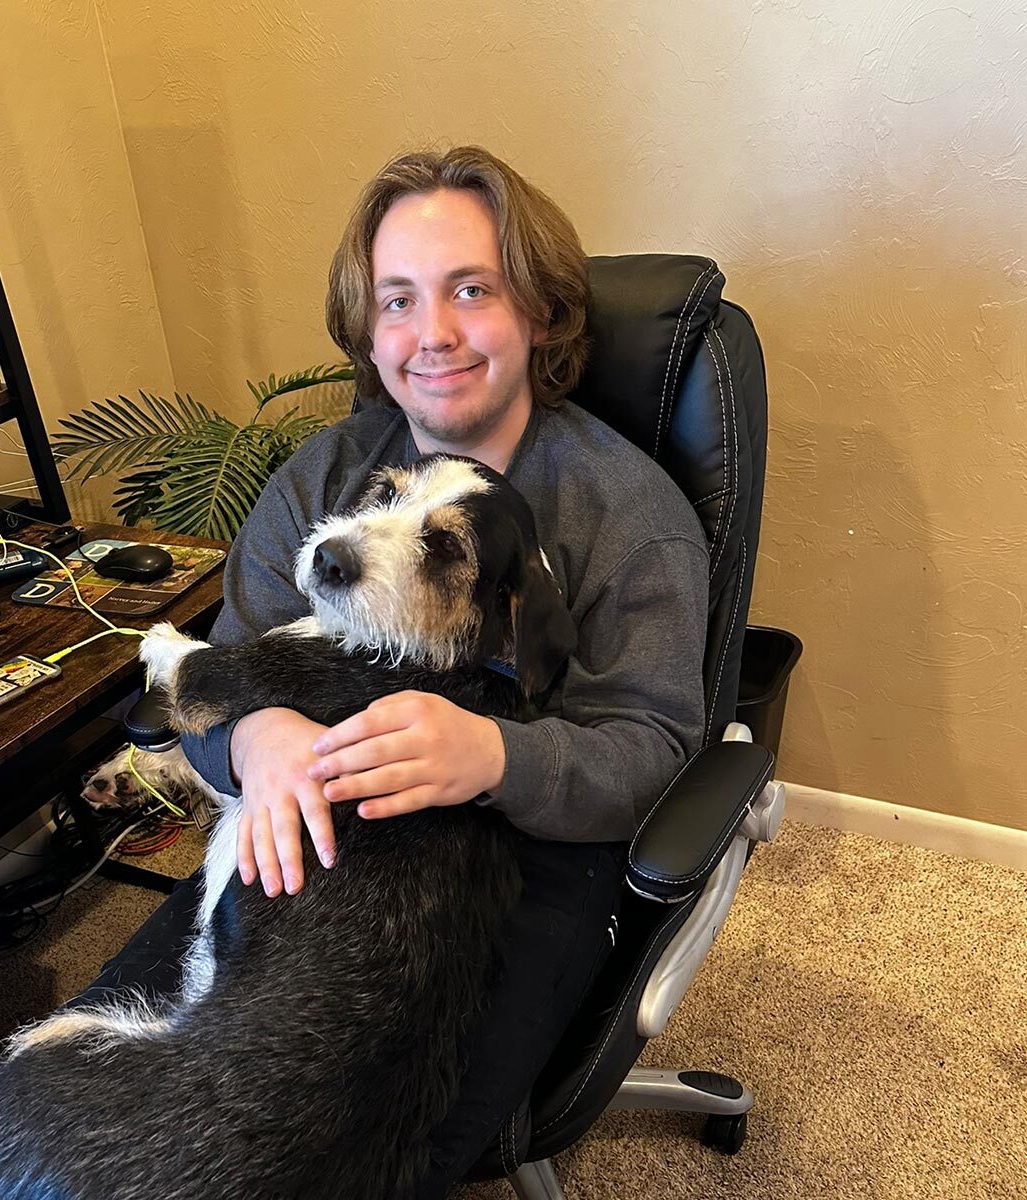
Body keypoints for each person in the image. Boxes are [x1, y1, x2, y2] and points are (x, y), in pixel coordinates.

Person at [182, 146, 710, 1195]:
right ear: (367, 330)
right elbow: (208, 675)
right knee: (181, 1111)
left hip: (532, 852)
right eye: (397, 301)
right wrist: (257, 736)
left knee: (362, 1152)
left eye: (472, 290)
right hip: (327, 831)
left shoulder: (630, 518)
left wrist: (492, 755)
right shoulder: (322, 479)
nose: (433, 336)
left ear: (544, 314)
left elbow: (654, 756)